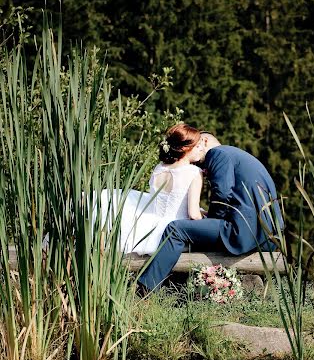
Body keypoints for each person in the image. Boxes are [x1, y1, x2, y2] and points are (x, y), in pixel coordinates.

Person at [137, 132, 284, 291]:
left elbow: (222, 194)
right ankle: (180, 288)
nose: (202, 168)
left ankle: (146, 288)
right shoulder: (236, 155)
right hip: (268, 236)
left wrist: (209, 221)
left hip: (243, 232)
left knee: (176, 229)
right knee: (194, 231)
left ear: (204, 141)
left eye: (196, 146)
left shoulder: (217, 153)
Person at [102, 123, 205, 254]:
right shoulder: (194, 172)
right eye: (197, 146)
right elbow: (194, 214)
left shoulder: (159, 168)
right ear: (185, 148)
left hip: (150, 228)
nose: (201, 149)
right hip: (174, 232)